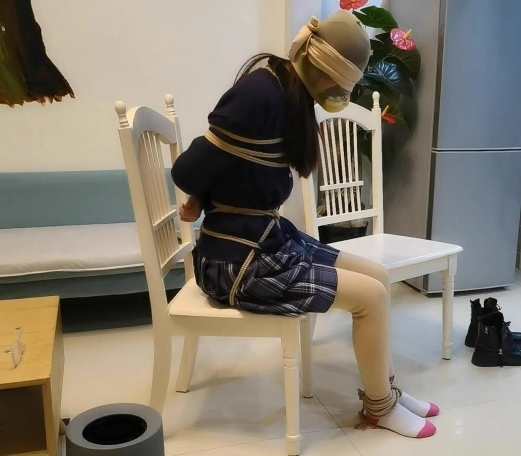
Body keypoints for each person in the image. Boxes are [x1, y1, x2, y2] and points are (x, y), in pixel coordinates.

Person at [171, 11, 437, 438]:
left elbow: (228, 166)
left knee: (377, 277)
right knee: (369, 297)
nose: (337, 96)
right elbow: (189, 168)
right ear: (326, 74)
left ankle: (387, 389)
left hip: (260, 241)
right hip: (235, 263)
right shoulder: (261, 94)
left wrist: (201, 197)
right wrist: (197, 195)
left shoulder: (285, 90)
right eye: (338, 86)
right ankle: (380, 407)